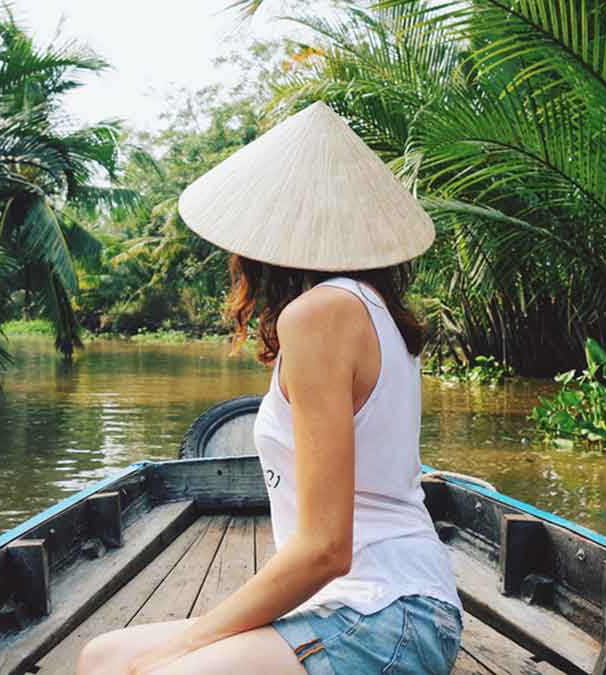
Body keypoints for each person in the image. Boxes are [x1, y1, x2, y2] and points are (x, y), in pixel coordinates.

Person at [77, 101, 462, 674]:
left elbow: (328, 548)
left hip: (386, 611)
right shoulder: (369, 307)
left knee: (154, 669)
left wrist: (187, 645)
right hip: (366, 604)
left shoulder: (321, 313)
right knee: (101, 657)